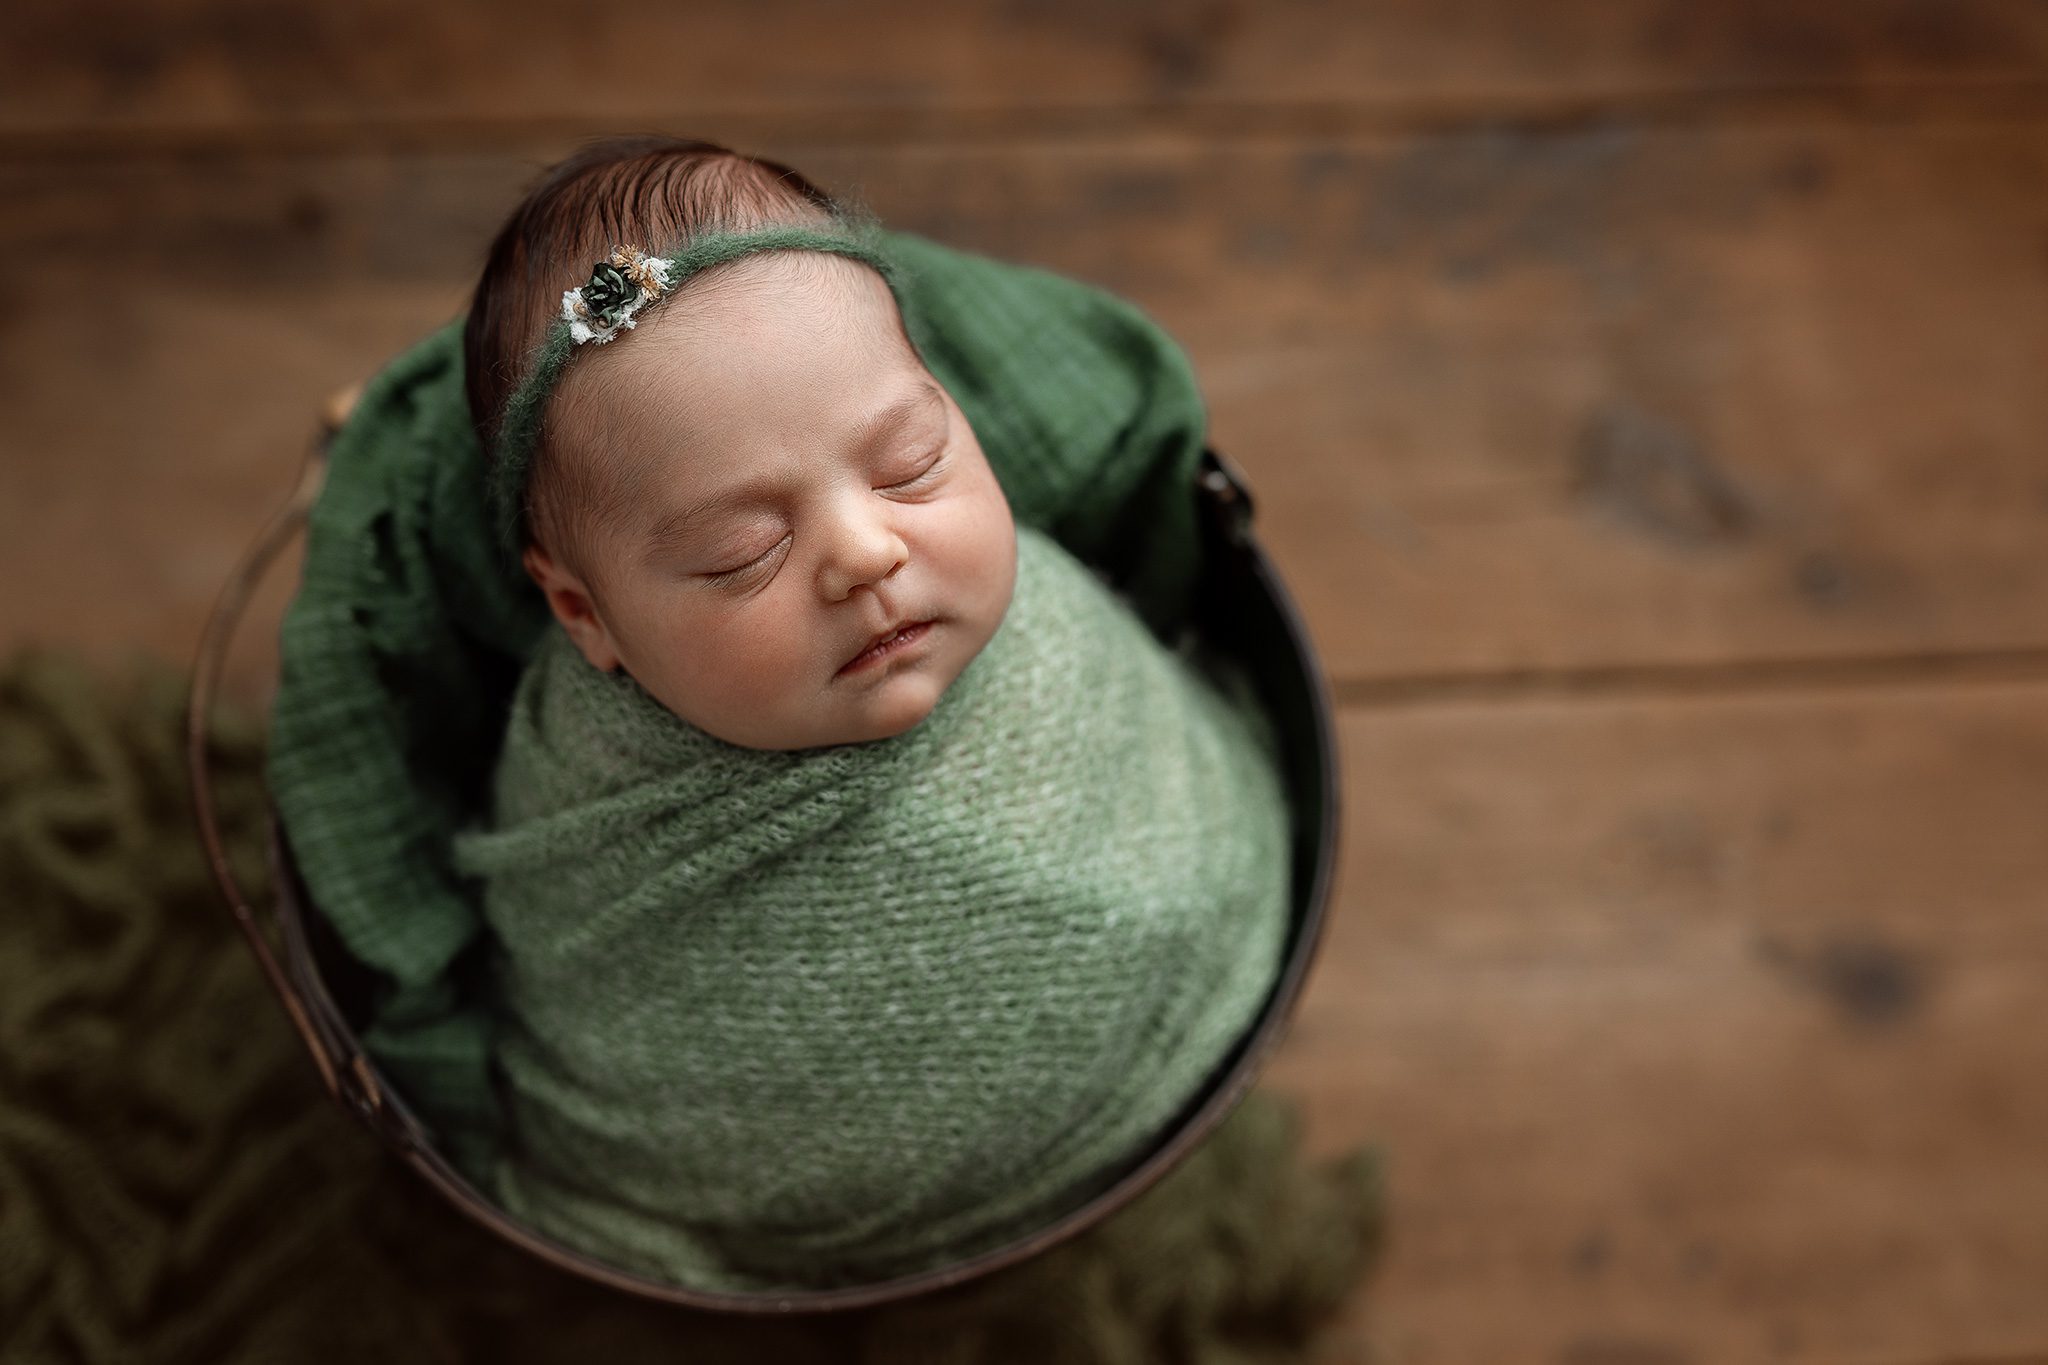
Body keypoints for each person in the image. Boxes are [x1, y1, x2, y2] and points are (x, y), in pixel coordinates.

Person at [447, 135, 1292, 1291]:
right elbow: (607, 1010)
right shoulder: (587, 782)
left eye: (909, 462)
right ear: (582, 613)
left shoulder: (1038, 608)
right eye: (742, 551)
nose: (864, 550)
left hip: (1199, 988)